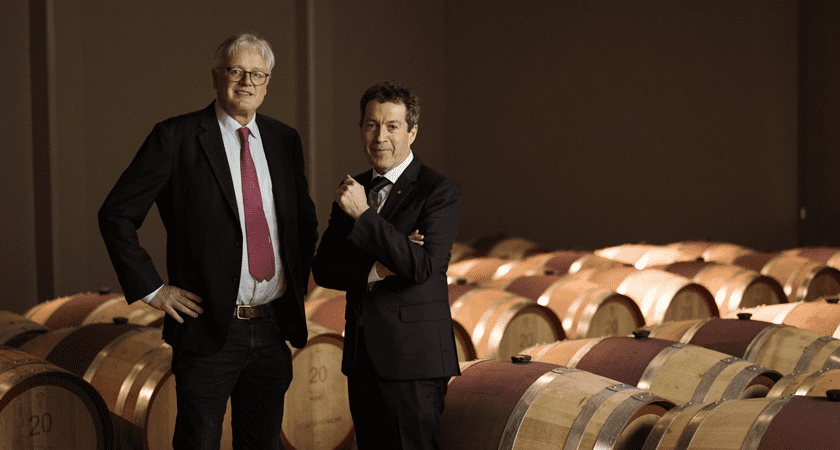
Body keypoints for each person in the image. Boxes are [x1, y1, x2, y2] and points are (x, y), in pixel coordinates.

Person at [98, 33, 318, 449]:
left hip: (272, 328)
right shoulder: (175, 138)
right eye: (236, 71)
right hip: (209, 332)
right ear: (217, 76)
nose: (246, 82)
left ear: (268, 82)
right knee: (199, 442)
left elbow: (303, 222)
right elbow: (116, 214)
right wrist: (153, 290)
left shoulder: (284, 139)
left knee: (263, 443)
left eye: (258, 74)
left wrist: (294, 283)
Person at [311, 81, 462, 450]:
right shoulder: (353, 187)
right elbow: (325, 269)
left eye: (392, 126)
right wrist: (378, 269)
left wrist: (363, 215)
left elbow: (423, 267)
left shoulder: (438, 190)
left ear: (412, 132)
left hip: (414, 362)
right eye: (371, 125)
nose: (380, 137)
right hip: (362, 358)